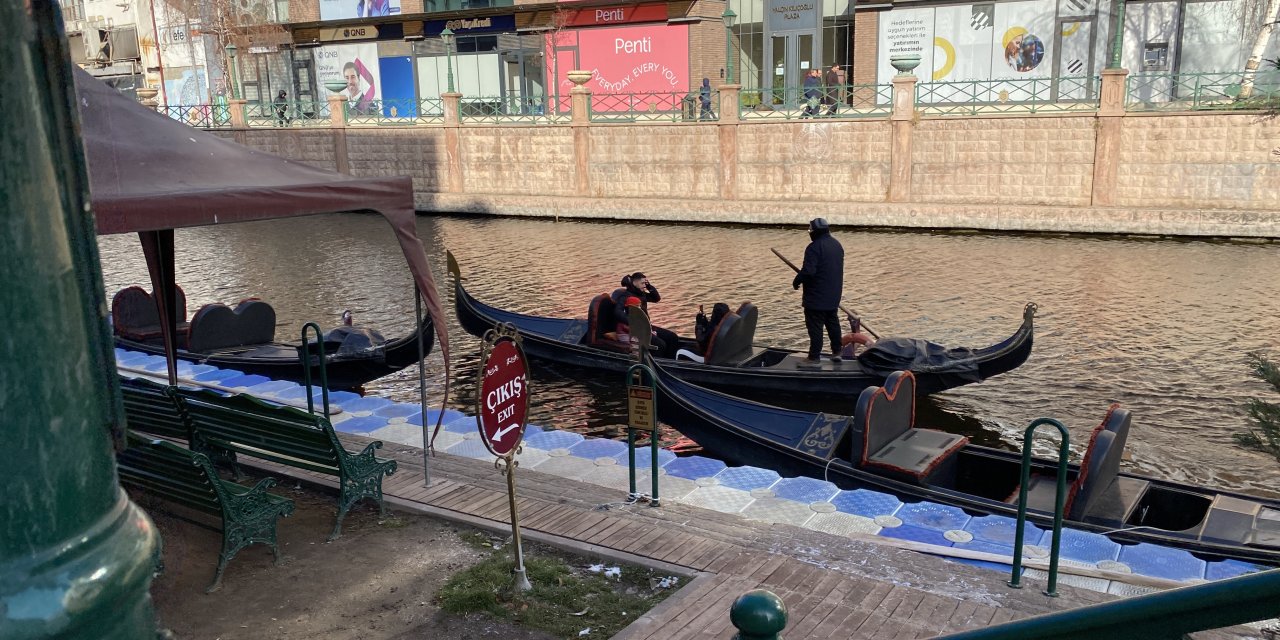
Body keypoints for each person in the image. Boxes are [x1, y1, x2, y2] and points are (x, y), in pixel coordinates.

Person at [792, 218, 844, 367]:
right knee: (832, 323)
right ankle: (837, 352)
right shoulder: (837, 245)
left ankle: (814, 358)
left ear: (814, 232)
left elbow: (809, 271)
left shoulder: (814, 248)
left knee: (815, 327)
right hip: (833, 295)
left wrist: (797, 280)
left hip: (816, 297)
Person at [612, 272, 679, 358]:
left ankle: (671, 362)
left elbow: (656, 298)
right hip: (637, 330)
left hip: (647, 326)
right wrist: (632, 322)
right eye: (642, 283)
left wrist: (649, 287)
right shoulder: (625, 296)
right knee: (660, 345)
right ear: (634, 283)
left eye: (645, 283)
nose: (644, 285)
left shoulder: (641, 294)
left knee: (673, 337)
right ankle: (656, 365)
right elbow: (618, 312)